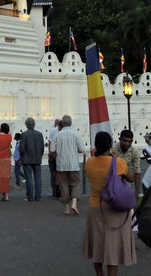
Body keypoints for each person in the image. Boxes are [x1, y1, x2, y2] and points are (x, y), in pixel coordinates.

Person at [83, 131, 136, 276]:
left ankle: (100, 274)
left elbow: (89, 174)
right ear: (111, 145)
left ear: (96, 145)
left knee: (98, 246)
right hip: (114, 208)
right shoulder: (118, 162)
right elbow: (131, 178)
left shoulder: (89, 162)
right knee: (112, 249)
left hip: (95, 207)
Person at [50, 115, 84, 215]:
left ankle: (67, 208)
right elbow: (81, 149)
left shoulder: (57, 135)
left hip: (61, 164)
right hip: (73, 164)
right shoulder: (76, 134)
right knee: (75, 184)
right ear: (71, 123)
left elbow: (52, 150)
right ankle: (74, 203)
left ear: (62, 124)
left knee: (64, 186)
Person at [111, 130, 141, 201]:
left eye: (130, 141)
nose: (127, 143)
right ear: (119, 139)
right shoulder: (112, 149)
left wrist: (137, 192)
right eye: (125, 140)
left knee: (125, 200)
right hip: (111, 177)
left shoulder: (134, 151)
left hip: (125, 177)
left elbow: (137, 171)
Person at [19, 117, 44, 202]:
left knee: (29, 178)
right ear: (34, 124)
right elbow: (42, 148)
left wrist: (22, 158)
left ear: (26, 125)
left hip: (27, 159)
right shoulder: (39, 134)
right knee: (38, 178)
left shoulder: (24, 135)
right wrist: (39, 156)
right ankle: (38, 196)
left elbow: (21, 149)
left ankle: (30, 197)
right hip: (37, 159)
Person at [0, 123, 12, 202]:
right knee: (6, 177)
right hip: (6, 159)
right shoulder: (9, 137)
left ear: (1, 128)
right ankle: (6, 196)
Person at [48, 119, 61, 197]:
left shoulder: (53, 130)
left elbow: (50, 142)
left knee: (53, 174)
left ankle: (54, 192)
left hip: (54, 155)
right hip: (61, 155)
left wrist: (50, 153)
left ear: (55, 124)